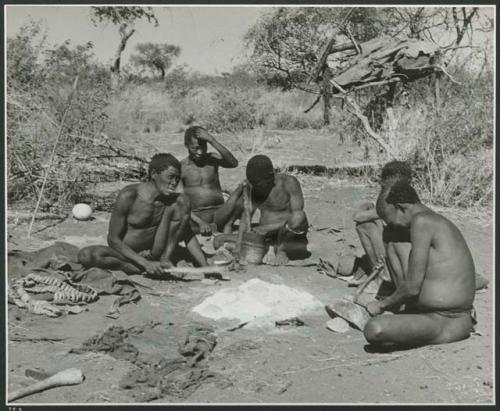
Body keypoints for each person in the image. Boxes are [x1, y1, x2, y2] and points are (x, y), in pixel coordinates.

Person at [363, 181, 476, 349]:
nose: (391, 226)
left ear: (401, 208)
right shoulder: (431, 219)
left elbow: (412, 288)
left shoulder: (422, 222)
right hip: (441, 316)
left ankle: (416, 327)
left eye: (390, 221)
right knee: (394, 242)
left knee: (375, 329)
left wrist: (381, 305)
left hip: (448, 320)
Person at [78, 153, 208, 275]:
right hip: (127, 254)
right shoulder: (129, 196)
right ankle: (134, 267)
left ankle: (164, 261)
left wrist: (206, 267)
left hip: (158, 255)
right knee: (87, 255)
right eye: (170, 177)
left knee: (183, 201)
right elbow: (113, 239)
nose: (174, 183)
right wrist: (144, 263)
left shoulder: (173, 201)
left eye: (177, 178)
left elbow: (186, 232)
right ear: (154, 174)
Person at [214, 154, 309, 266]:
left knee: (298, 217)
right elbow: (246, 218)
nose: (254, 186)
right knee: (218, 240)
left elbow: (296, 219)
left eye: (257, 184)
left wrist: (266, 227)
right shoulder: (254, 186)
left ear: (270, 176)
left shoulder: (289, 183)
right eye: (252, 182)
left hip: (287, 236)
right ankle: (269, 248)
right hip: (264, 236)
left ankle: (281, 251)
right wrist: (239, 244)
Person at [353, 161, 412, 282]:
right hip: (406, 260)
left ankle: (380, 278)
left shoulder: (394, 201)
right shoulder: (409, 198)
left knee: (364, 225)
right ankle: (382, 273)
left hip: (403, 265)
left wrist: (369, 208)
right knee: (371, 220)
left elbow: (358, 216)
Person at [180, 125, 241, 235]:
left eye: (204, 147)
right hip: (197, 217)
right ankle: (216, 227)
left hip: (220, 213)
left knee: (243, 191)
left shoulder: (212, 159)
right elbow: (179, 202)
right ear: (186, 146)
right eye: (195, 148)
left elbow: (233, 163)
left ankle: (220, 226)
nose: (200, 152)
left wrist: (212, 140)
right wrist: (200, 222)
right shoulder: (182, 168)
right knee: (178, 223)